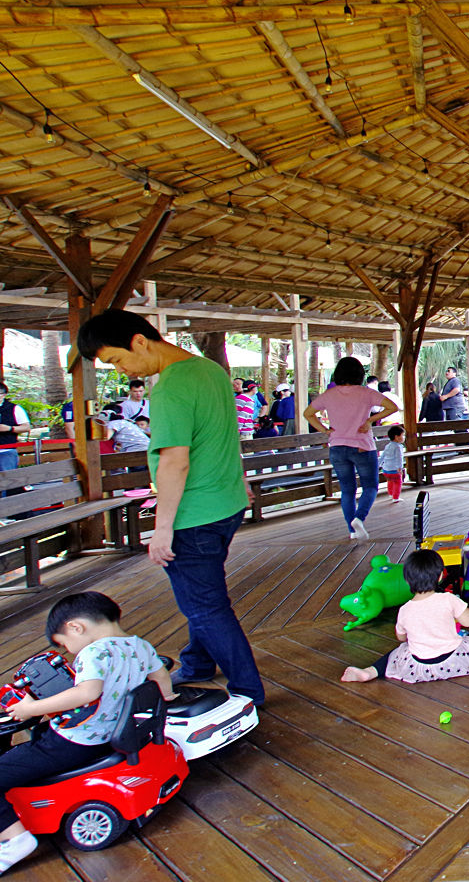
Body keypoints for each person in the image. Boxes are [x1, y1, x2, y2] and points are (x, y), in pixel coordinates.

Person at [79, 308, 265, 705]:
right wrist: (241, 481)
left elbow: (175, 461)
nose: (121, 370)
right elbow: (222, 435)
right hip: (226, 503)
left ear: (139, 341)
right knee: (203, 595)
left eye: (117, 359)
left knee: (205, 607)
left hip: (193, 515)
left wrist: (162, 528)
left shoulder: (170, 387)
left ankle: (248, 692)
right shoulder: (210, 371)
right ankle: (197, 664)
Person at [0, 591, 175, 874]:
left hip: (74, 741)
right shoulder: (141, 646)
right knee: (38, 737)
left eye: (64, 644)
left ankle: (13, 839)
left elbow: (86, 693)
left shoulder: (94, 652)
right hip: (108, 736)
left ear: (75, 627)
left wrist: (33, 708)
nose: (69, 652)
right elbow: (162, 681)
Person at [339, 550, 469, 682]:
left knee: (395, 654)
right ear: (439, 577)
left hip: (418, 665)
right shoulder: (448, 599)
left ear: (407, 581)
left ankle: (369, 672)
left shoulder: (405, 609)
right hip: (454, 659)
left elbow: (401, 637)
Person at [304, 357, 398, 540]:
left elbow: (307, 414)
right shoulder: (365, 393)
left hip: (337, 446)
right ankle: (359, 518)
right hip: (362, 446)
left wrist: (324, 430)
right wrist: (370, 420)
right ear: (359, 374)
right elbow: (392, 407)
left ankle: (352, 531)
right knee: (370, 486)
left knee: (347, 490)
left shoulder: (328, 395)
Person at [0, 382, 31, 473]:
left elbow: (26, 427)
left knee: (9, 480)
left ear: (4, 395)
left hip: (7, 450)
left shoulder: (15, 408)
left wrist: (10, 428)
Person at [379, 425, 405, 502]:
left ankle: (391, 494)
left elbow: (382, 456)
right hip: (394, 469)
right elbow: (399, 458)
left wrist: (379, 464)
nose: (404, 437)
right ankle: (396, 497)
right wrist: (400, 467)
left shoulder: (388, 446)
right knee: (397, 482)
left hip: (386, 469)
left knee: (390, 481)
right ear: (397, 437)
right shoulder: (398, 447)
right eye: (402, 435)